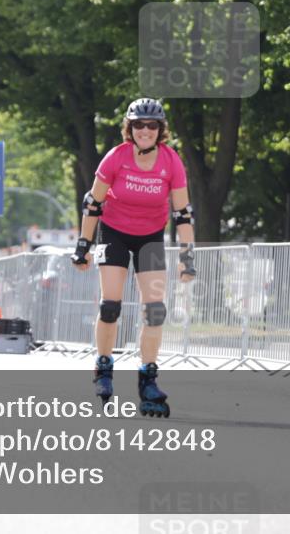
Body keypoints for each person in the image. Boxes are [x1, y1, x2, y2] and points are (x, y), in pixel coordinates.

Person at [72, 98, 196, 417]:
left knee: (154, 310)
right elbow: (93, 204)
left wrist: (187, 257)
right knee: (110, 305)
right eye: (138, 125)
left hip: (150, 236)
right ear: (130, 128)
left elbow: (183, 213)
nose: (145, 130)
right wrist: (83, 246)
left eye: (151, 126)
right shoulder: (117, 157)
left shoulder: (171, 161)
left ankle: (148, 379)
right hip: (114, 232)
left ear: (160, 130)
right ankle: (103, 366)